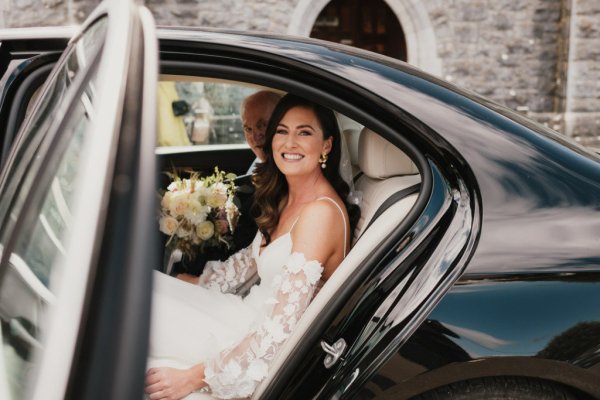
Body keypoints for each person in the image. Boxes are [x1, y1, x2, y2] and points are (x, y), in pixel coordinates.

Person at [145, 94, 358, 400]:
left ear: (326, 145)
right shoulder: (288, 196)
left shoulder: (320, 214)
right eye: (282, 131)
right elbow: (249, 262)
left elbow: (277, 329)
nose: (290, 143)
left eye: (304, 132)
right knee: (143, 292)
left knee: (133, 331)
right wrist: (192, 283)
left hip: (252, 338)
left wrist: (194, 377)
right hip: (240, 314)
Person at [240, 90, 282, 173]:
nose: (255, 137)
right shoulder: (258, 165)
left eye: (263, 125)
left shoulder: (291, 174)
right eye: (248, 129)